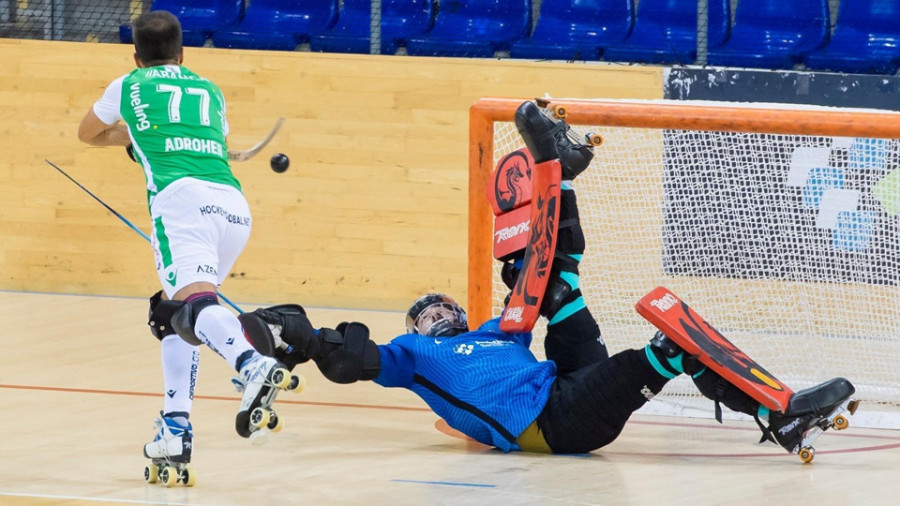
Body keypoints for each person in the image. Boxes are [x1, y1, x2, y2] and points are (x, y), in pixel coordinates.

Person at [240, 101, 855, 456]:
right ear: (416, 329)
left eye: (441, 307)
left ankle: (563, 173)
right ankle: (779, 416)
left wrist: (552, 189)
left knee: (557, 289)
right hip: (554, 424)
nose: (437, 315)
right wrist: (307, 339)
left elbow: (535, 270)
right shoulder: (414, 356)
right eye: (425, 313)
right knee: (667, 351)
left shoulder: (497, 330)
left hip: (561, 380)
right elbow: (359, 361)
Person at [77, 10, 295, 482]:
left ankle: (252, 363)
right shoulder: (209, 91)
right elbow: (208, 140)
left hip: (182, 204)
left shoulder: (128, 85)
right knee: (174, 315)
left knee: (194, 308)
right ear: (183, 54)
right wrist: (144, 141)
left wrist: (131, 141)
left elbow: (87, 134)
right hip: (234, 209)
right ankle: (175, 429)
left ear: (136, 56)